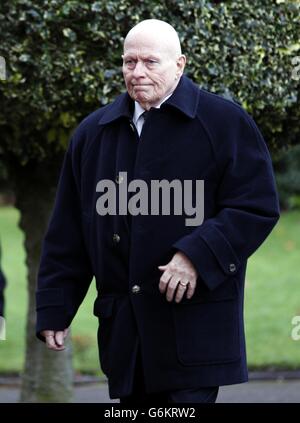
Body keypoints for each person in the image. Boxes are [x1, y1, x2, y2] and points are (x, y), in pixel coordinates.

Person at [36, 19, 280, 403]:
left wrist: (196, 256)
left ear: (179, 64)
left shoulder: (224, 123)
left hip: (193, 332)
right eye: (129, 62)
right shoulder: (92, 134)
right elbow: (68, 231)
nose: (137, 72)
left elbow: (256, 207)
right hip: (125, 338)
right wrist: (55, 307)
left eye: (150, 62)